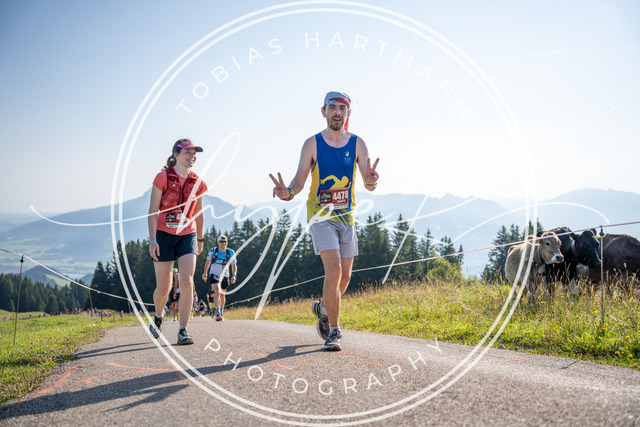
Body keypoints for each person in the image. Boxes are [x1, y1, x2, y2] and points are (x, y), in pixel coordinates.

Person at [269, 91, 379, 351]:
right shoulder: (312, 144)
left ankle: (323, 308)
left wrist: (372, 181)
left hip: (347, 216)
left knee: (345, 277)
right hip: (320, 216)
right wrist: (287, 193)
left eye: (342, 108)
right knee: (334, 269)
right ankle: (334, 331)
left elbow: (368, 182)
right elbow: (299, 181)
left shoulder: (358, 144)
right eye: (332, 108)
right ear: (324, 112)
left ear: (348, 113)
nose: (337, 112)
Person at [148, 138, 208, 345]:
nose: (192, 156)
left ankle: (183, 330)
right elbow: (152, 212)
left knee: (187, 280)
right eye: (187, 153)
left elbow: (199, 214)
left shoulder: (198, 182)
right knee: (163, 289)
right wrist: (152, 240)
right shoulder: (163, 177)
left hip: (188, 234)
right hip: (163, 235)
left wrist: (200, 238)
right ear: (176, 154)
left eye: (194, 153)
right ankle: (158, 315)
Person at [202, 235, 237, 321]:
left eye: (225, 242)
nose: (223, 243)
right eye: (221, 242)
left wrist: (234, 275)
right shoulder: (213, 251)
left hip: (225, 275)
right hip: (214, 274)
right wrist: (205, 272)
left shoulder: (230, 252)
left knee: (222, 294)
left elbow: (234, 266)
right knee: (217, 291)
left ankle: (221, 311)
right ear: (218, 243)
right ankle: (217, 313)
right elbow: (208, 262)